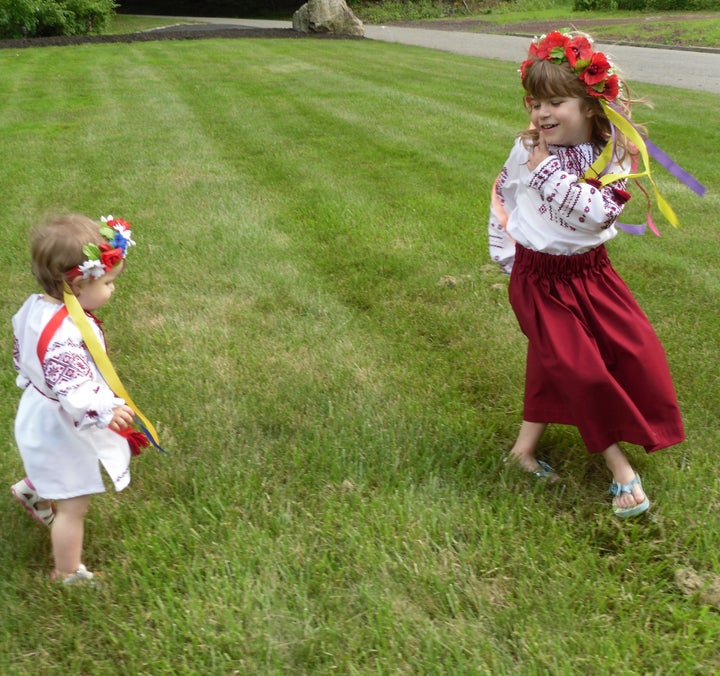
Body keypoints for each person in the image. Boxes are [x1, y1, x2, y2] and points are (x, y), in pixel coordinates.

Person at [488, 31, 685, 518]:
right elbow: (504, 198)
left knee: (635, 351)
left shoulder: (615, 155)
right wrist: (506, 255)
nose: (541, 114)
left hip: (594, 274)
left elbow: (596, 214)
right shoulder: (528, 149)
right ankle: (620, 470)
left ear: (592, 105)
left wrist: (546, 173)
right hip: (539, 279)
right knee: (580, 370)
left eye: (556, 102)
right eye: (536, 103)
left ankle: (521, 452)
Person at [10, 213, 146, 583]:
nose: (113, 288)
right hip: (59, 422)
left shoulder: (36, 306)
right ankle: (67, 572)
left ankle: (34, 489)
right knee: (74, 506)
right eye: (107, 282)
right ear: (77, 284)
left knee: (58, 466)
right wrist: (105, 409)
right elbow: (73, 388)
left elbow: (21, 348)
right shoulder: (65, 336)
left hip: (39, 411)